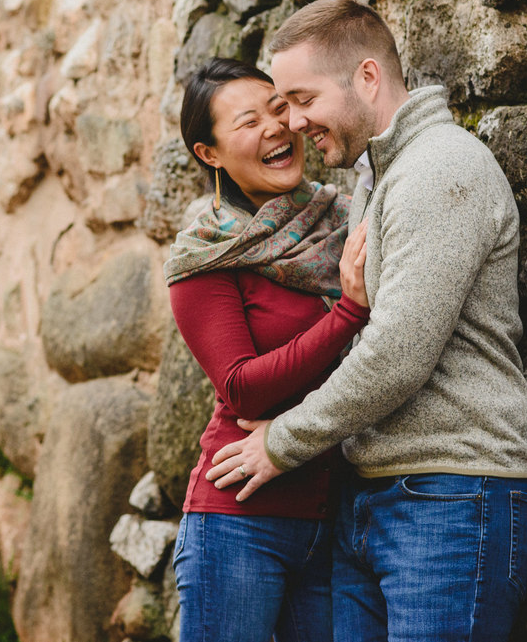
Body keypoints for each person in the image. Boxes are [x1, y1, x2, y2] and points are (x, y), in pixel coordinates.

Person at [205, 0, 527, 642]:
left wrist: (283, 439)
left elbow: (399, 352)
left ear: (366, 78)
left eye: (302, 99)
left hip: (452, 496)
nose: (293, 121)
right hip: (375, 500)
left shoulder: (441, 168)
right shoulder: (375, 179)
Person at [163, 57, 370, 642]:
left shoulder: (341, 219)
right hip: (241, 521)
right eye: (248, 122)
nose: (276, 128)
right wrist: (349, 313)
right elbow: (243, 386)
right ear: (211, 154)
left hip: (340, 521)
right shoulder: (204, 256)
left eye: (279, 108)